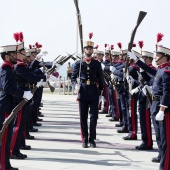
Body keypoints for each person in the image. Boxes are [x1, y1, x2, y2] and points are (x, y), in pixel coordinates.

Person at [128, 45, 170, 170]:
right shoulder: (161, 70)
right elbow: (149, 70)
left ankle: (165, 166)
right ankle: (162, 160)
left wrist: (162, 109)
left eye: (157, 55)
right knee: (159, 137)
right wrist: (137, 61)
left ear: (165, 57)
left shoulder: (167, 71)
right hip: (155, 106)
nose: (155, 57)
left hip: (163, 109)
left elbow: (167, 93)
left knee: (165, 140)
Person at [0, 42, 33, 170]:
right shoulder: (6, 69)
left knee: (7, 138)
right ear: (7, 56)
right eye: (14, 54)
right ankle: (3, 166)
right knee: (5, 137)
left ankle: (5, 164)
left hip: (8, 105)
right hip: (5, 106)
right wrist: (23, 93)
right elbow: (8, 87)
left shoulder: (9, 68)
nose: (16, 56)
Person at [71, 34, 103, 148]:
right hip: (83, 92)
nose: (89, 50)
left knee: (94, 117)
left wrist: (102, 92)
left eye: (90, 49)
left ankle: (92, 139)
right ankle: (84, 139)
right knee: (83, 117)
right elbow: (73, 77)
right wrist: (75, 85)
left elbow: (101, 78)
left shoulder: (96, 63)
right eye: (87, 49)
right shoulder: (79, 63)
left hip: (94, 92)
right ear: (84, 50)